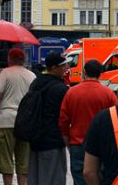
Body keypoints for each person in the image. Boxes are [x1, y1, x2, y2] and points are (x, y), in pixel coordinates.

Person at [59, 59, 118, 185]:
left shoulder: (71, 93)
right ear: (100, 74)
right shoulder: (108, 94)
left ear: (84, 72)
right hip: (103, 144)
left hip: (77, 144)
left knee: (79, 179)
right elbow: (117, 119)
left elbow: (63, 121)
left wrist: (68, 142)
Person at [0, 48, 35, 185]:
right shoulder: (31, 75)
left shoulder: (5, 73)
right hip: (26, 122)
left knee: (6, 160)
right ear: (24, 60)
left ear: (10, 59)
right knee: (23, 163)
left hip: (7, 121)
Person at [26, 52, 70, 185]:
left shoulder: (36, 83)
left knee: (35, 178)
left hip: (35, 139)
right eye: (63, 65)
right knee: (54, 178)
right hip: (53, 140)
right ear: (54, 68)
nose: (66, 67)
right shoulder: (60, 89)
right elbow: (64, 116)